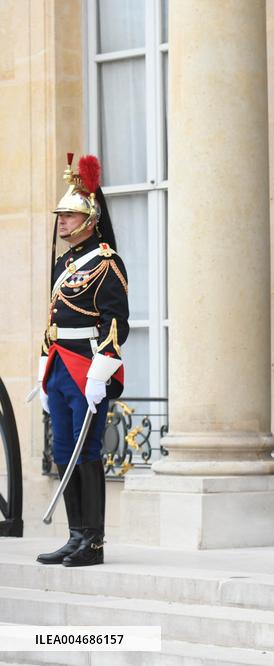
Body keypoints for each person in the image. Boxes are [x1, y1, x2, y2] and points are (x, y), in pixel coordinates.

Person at [29, 154, 129, 567]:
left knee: (85, 452)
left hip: (88, 367)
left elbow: (116, 323)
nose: (62, 222)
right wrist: (43, 369)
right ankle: (74, 536)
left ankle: (94, 541)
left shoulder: (105, 261)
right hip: (59, 366)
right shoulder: (63, 263)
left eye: (69, 216)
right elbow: (52, 319)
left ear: (89, 219)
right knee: (62, 450)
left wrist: (100, 373)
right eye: (62, 216)